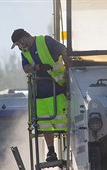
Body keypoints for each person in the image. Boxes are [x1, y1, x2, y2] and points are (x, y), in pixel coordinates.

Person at [11, 28, 69, 162]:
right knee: (44, 125)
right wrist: (37, 67)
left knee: (63, 124)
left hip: (58, 89)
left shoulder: (45, 41)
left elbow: (63, 50)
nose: (20, 47)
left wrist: (69, 70)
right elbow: (26, 68)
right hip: (39, 95)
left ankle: (68, 151)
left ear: (24, 38)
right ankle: (51, 152)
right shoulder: (25, 53)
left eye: (19, 44)